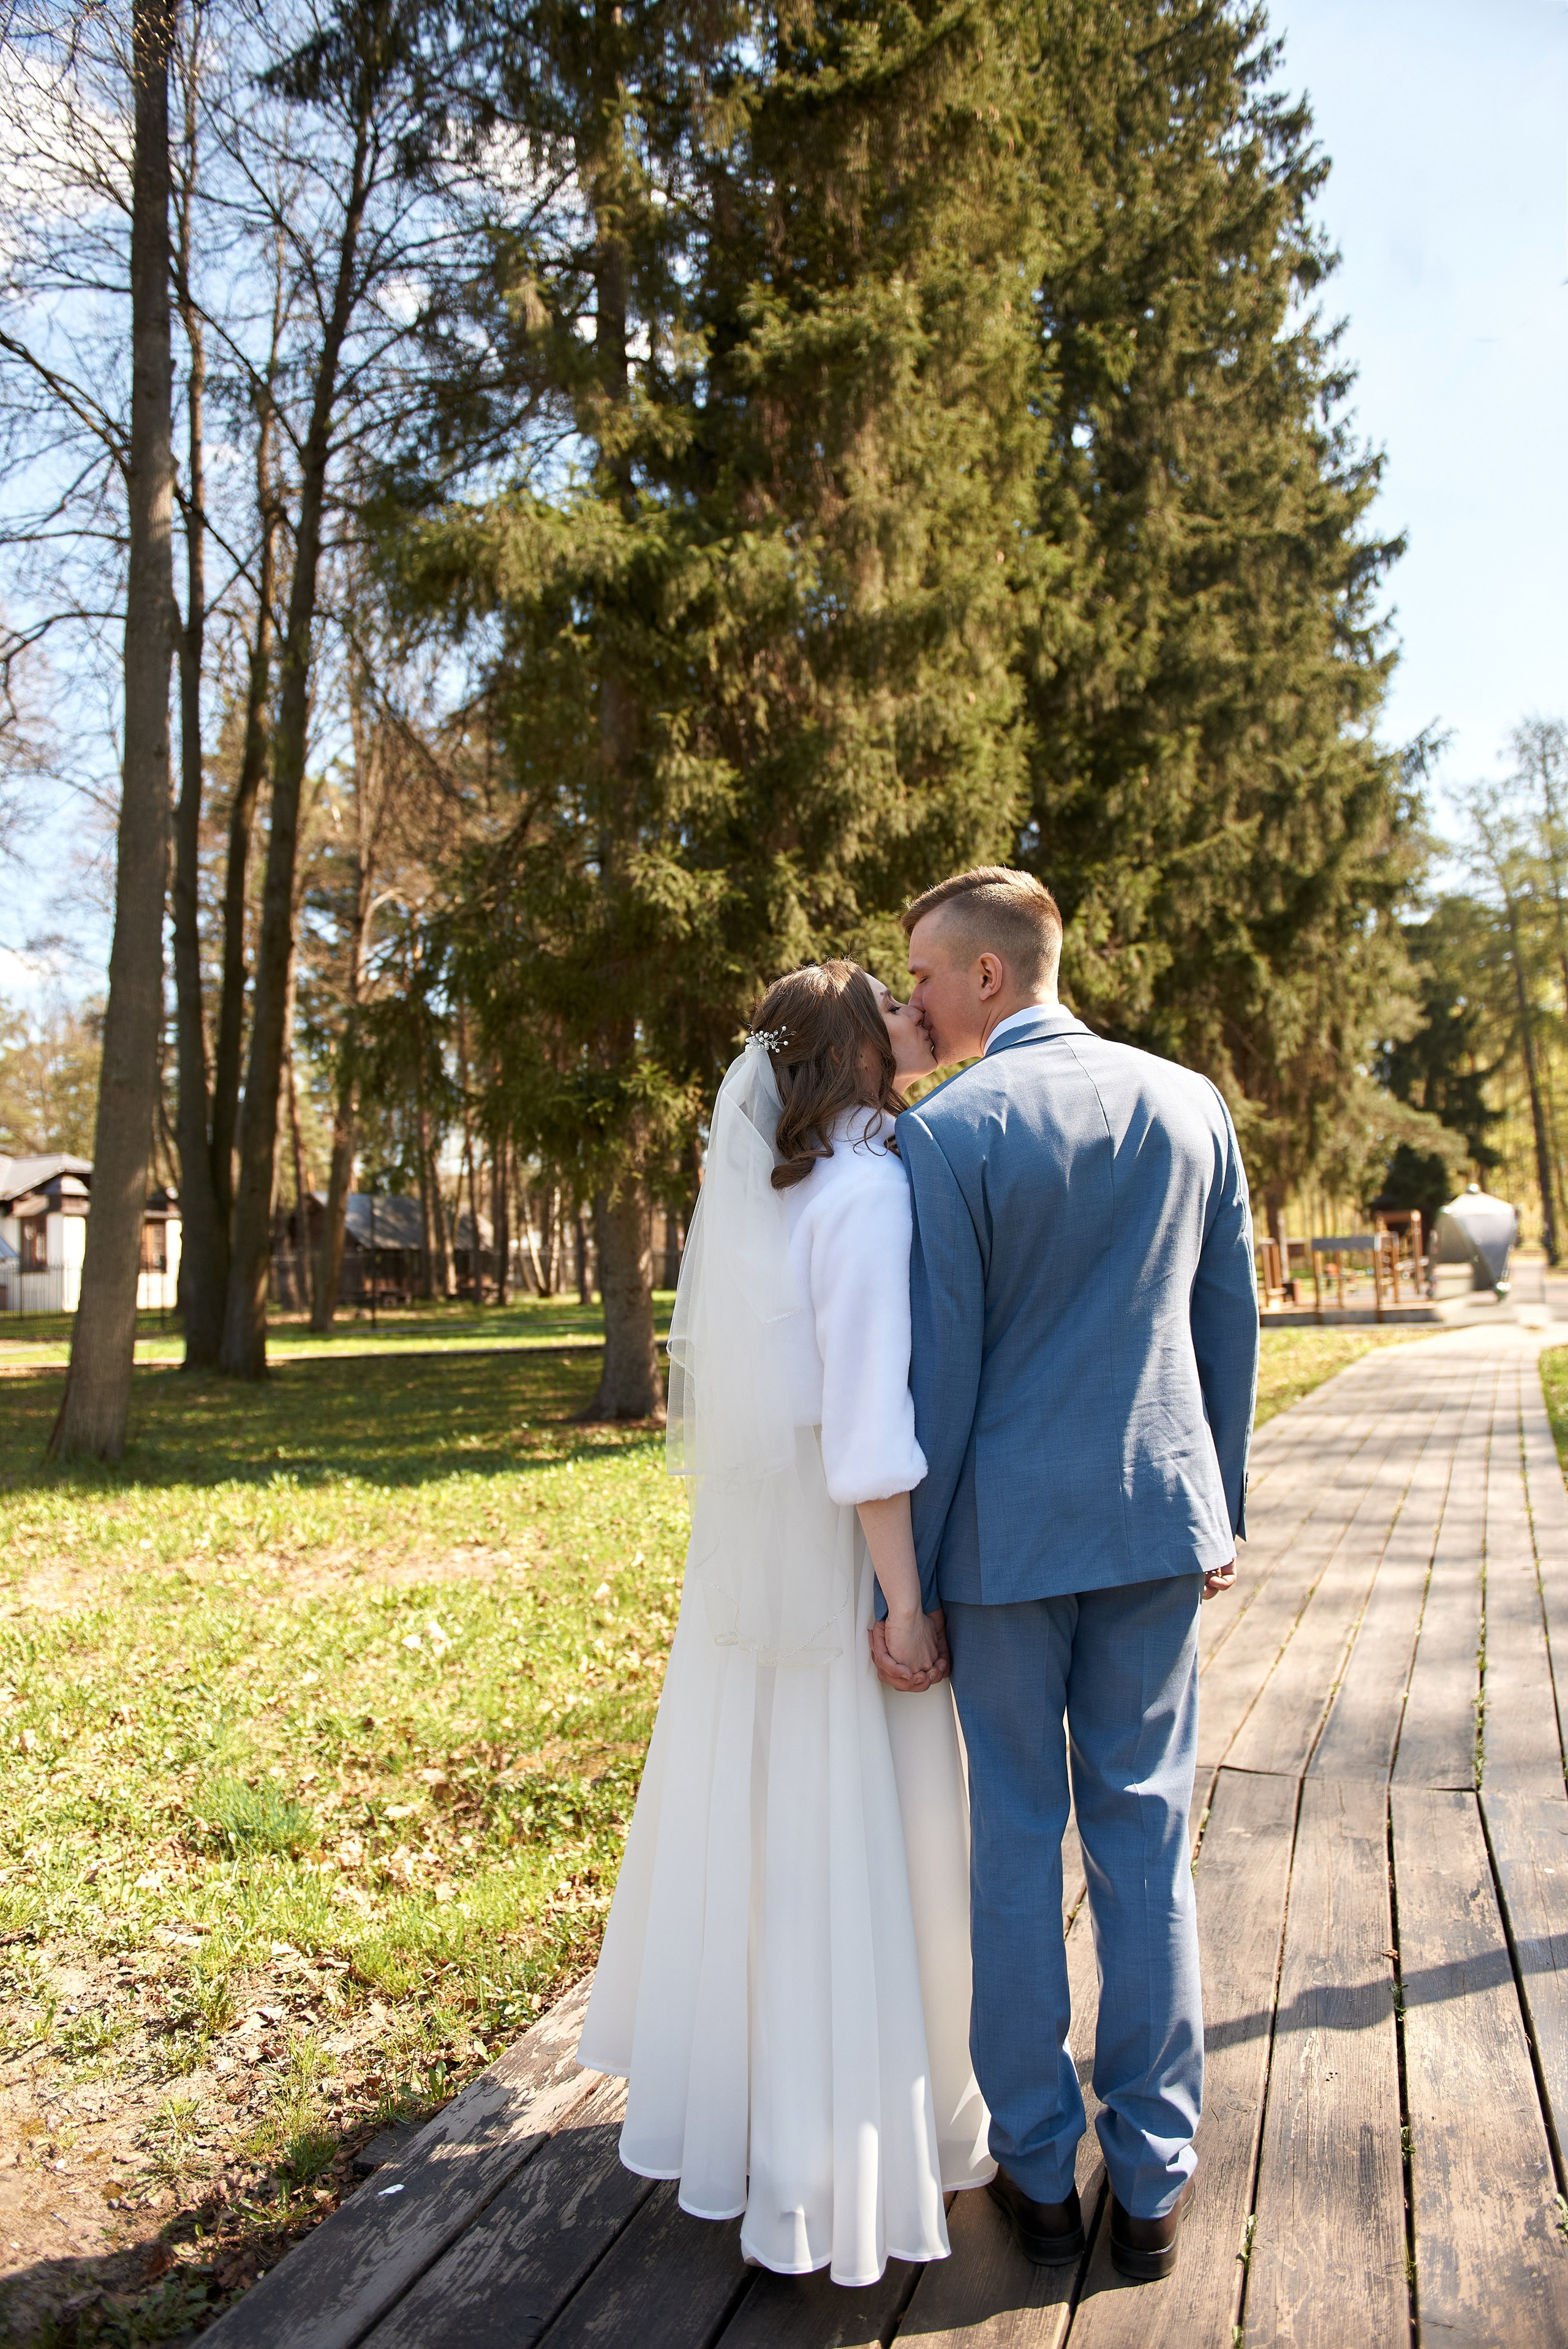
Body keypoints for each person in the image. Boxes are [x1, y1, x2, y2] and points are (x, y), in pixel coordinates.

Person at [870, 865, 1257, 2285]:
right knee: (1145, 1829)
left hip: (1002, 1547)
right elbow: (1228, 1318)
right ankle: (1151, 2178)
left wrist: (900, 1592)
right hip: (1158, 1521)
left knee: (1015, 1837)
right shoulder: (1188, 1101)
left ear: (986, 976)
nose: (906, 998)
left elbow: (939, 1382)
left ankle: (1037, 2170)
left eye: (920, 973)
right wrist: (1219, 1506)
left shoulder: (947, 1133)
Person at [577, 959, 991, 2287]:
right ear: (849, 1050)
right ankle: (848, 2144)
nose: (915, 1012)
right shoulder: (867, 1194)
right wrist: (906, 1606)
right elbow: (866, 1439)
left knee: (769, 1825)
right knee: (853, 1830)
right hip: (838, 1561)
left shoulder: (789, 1185)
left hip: (753, 1565)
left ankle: (768, 2114)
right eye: (893, 1003)